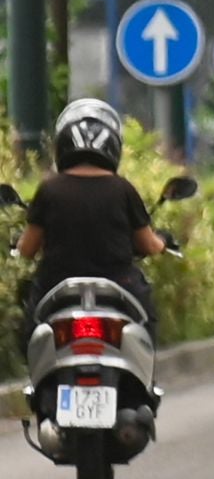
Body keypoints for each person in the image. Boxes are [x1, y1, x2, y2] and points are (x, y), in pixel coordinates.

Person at [14, 100, 166, 348]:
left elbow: (28, 248)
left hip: (57, 286)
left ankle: (36, 382)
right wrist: (163, 242)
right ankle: (146, 382)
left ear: (61, 146)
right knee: (146, 321)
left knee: (32, 327)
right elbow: (148, 244)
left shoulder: (49, 189)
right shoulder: (123, 189)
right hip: (120, 287)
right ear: (113, 146)